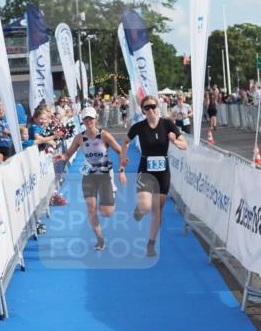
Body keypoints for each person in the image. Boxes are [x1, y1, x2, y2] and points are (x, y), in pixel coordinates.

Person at [121, 95, 188, 258]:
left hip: (163, 173)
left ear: (158, 107)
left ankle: (150, 244)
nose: (151, 110)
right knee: (145, 206)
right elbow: (125, 142)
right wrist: (123, 159)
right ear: (143, 111)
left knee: (157, 210)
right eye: (147, 108)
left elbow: (184, 144)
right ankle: (140, 209)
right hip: (145, 170)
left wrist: (175, 142)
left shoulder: (167, 124)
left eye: (153, 106)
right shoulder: (139, 127)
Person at [57, 107, 127, 251]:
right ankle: (100, 240)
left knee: (107, 213)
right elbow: (68, 154)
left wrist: (121, 170)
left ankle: (111, 192)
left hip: (105, 175)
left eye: (91, 118)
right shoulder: (79, 138)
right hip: (88, 175)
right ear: (82, 121)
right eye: (85, 119)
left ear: (96, 119)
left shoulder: (104, 135)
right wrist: (62, 157)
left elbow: (121, 152)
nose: (88, 121)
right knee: (91, 207)